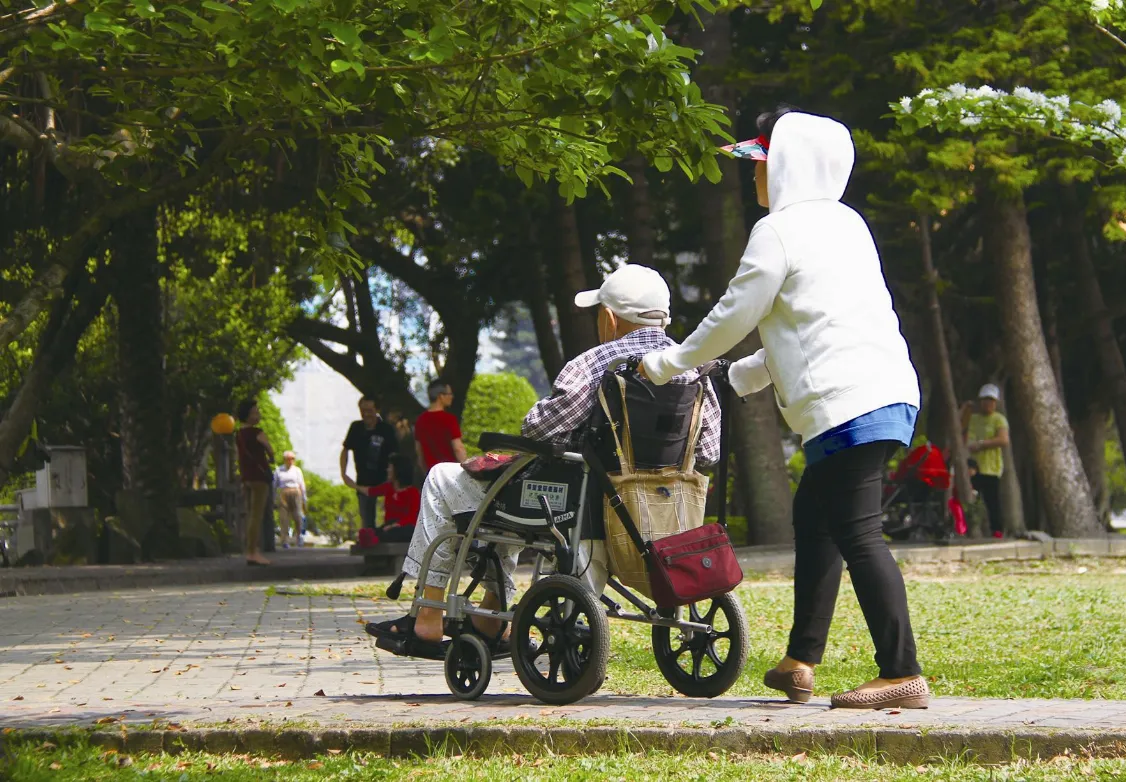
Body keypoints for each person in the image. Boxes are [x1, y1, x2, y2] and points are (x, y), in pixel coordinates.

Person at [639, 107, 929, 710]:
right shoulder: (850, 225)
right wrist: (742, 375)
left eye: (762, 163)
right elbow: (813, 324)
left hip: (846, 405)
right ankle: (800, 661)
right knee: (816, 520)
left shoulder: (779, 231)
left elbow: (737, 313)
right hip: (885, 391)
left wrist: (671, 363)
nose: (754, 176)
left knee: (858, 531)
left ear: (790, 164)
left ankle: (902, 672)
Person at [397, 264, 721, 646]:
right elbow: (709, 451)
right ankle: (489, 620)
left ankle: (430, 614)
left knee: (446, 480)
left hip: (575, 506)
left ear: (610, 318)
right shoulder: (690, 367)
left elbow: (537, 429)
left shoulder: (596, 364)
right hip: (657, 514)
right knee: (501, 494)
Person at [340, 395, 399, 531]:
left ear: (377, 410)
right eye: (363, 410)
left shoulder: (386, 429)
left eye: (370, 410)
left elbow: (395, 454)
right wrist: (343, 473)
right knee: (367, 521)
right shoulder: (356, 427)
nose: (366, 414)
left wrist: (394, 477)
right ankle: (369, 544)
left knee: (389, 518)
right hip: (363, 480)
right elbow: (345, 449)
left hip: (385, 481)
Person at [963, 384, 1009, 538]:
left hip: (991, 468)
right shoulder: (974, 419)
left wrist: (982, 444)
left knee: (992, 502)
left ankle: (997, 531)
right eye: (985, 400)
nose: (988, 404)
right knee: (971, 501)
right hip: (973, 467)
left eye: (991, 401)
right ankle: (969, 531)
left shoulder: (999, 419)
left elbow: (1003, 440)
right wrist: (964, 409)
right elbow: (961, 429)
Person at [236, 399, 274, 566]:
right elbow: (269, 449)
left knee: (250, 513)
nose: (258, 414)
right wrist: (271, 457)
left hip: (246, 476)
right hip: (260, 476)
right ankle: (252, 552)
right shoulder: (257, 432)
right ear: (249, 416)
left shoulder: (239, 434)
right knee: (257, 515)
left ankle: (250, 549)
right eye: (255, 412)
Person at [348, 453, 420, 542]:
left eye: (390, 467)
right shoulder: (388, 487)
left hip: (404, 527)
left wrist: (396, 525)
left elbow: (412, 517)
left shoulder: (413, 492)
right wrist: (353, 485)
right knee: (377, 532)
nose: (388, 470)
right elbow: (371, 491)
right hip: (389, 526)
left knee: (399, 532)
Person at [414, 379, 467, 474]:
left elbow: (420, 454)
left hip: (432, 475)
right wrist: (467, 469)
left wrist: (427, 474)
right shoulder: (449, 419)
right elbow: (458, 448)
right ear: (441, 396)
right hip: (451, 474)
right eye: (449, 394)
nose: (452, 396)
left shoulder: (420, 421)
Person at [273, 451, 307, 549]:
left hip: (295, 492)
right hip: (284, 492)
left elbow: (302, 484)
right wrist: (274, 497)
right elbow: (274, 484)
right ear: (284, 459)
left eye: (293, 459)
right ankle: (284, 540)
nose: (291, 461)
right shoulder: (279, 470)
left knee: (297, 516)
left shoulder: (297, 470)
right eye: (289, 459)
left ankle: (299, 537)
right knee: (284, 517)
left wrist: (304, 498)